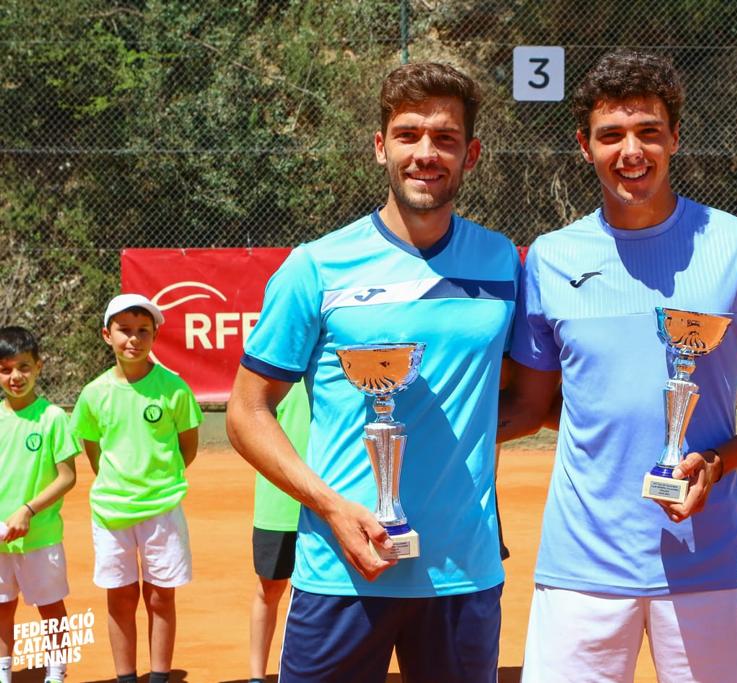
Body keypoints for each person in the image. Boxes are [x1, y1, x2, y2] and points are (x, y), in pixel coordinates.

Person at [498, 50, 737, 683]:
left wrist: (721, 460)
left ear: (674, 136)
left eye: (648, 130)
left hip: (708, 561)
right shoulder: (550, 258)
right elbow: (533, 406)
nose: (632, 151)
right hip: (583, 567)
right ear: (584, 145)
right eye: (611, 134)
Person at [225, 62, 518, 682]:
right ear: (381, 146)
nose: (425, 153)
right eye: (408, 134)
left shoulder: (503, 263)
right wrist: (332, 507)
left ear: (473, 154)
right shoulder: (316, 267)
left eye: (445, 138)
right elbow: (247, 412)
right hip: (342, 570)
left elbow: (527, 397)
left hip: (463, 573)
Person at [71, 294, 202, 683]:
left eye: (143, 330)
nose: (133, 339)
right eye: (124, 330)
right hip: (111, 513)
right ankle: (126, 677)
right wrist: (117, 482)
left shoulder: (174, 389)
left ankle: (159, 676)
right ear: (106, 335)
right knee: (121, 596)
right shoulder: (94, 394)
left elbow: (187, 446)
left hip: (162, 509)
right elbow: (92, 448)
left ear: (155, 335)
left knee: (161, 595)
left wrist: (159, 480)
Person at [0, 327, 79, 683]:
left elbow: (67, 476)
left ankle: (56, 673)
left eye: (23, 367)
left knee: (51, 610)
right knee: (2, 609)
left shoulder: (52, 418)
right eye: (5, 369)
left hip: (41, 537)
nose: (15, 376)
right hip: (1, 542)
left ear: (39, 367)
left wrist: (27, 511)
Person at [248, 380, 309, 683]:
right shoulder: (273, 378)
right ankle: (258, 677)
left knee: (326, 595)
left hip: (336, 507)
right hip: (279, 508)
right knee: (270, 588)